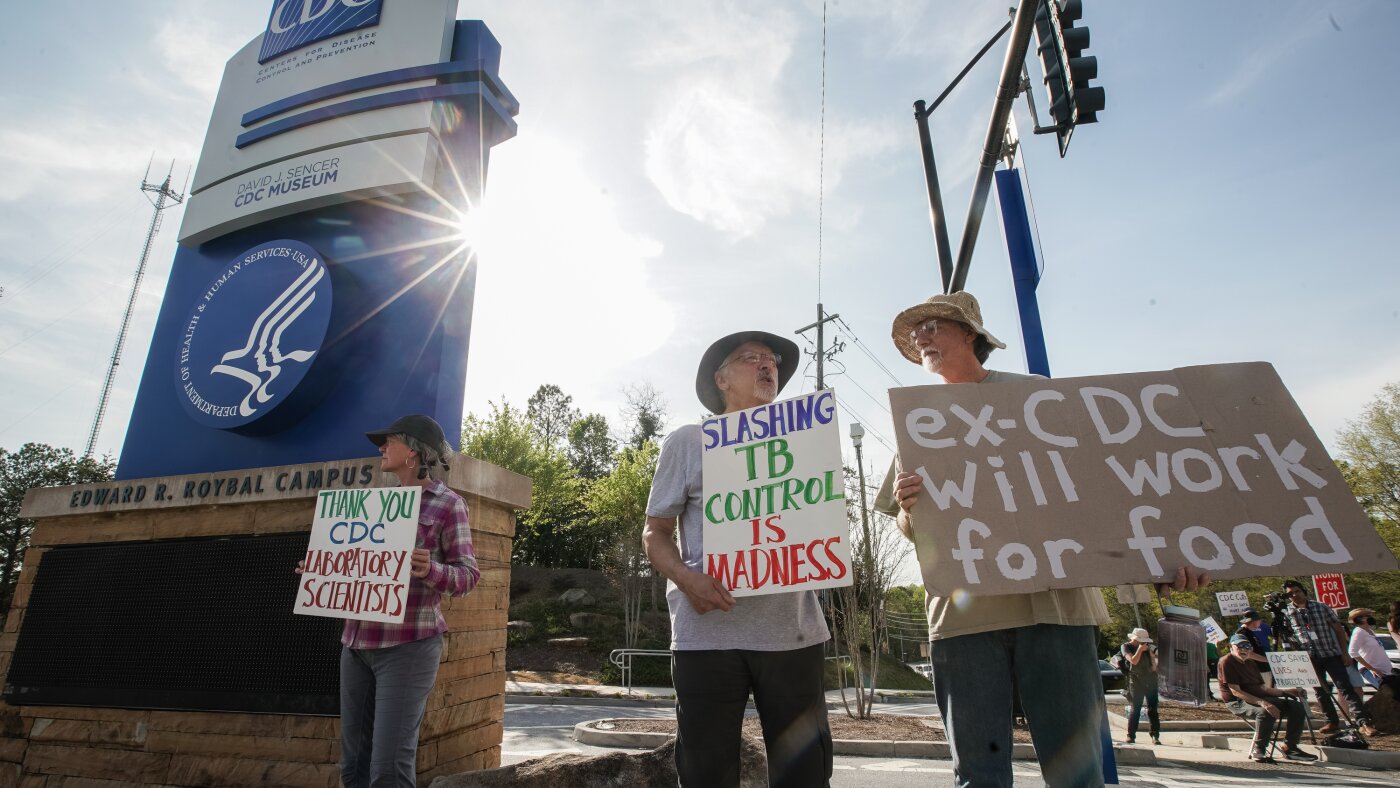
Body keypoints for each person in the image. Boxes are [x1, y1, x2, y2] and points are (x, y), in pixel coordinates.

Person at [873, 292, 1210, 788]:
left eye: (933, 326)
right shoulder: (918, 419)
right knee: (978, 774)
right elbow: (910, 532)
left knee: (1076, 771)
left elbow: (1107, 488)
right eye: (915, 331)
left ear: (970, 334)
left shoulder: (1036, 395)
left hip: (1056, 611)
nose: (921, 336)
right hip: (963, 618)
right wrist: (908, 510)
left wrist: (1164, 559)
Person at [642, 331, 832, 788]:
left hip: (793, 633)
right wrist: (688, 580)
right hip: (706, 637)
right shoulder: (688, 442)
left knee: (804, 775)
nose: (768, 366)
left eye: (773, 361)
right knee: (706, 773)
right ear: (721, 379)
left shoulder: (803, 441)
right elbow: (654, 534)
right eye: (752, 358)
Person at [299, 414, 480, 788]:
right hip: (355, 646)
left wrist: (431, 569)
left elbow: (468, 576)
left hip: (408, 649)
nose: (381, 448)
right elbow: (359, 566)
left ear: (414, 451)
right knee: (353, 767)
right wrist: (323, 568)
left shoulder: (448, 505)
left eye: (389, 441)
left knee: (388, 769)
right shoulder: (373, 505)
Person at [1280, 579, 1376, 736]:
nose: (1295, 595)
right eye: (1290, 594)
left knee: (1345, 688)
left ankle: (1363, 722)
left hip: (1330, 654)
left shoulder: (1321, 607)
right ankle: (1331, 721)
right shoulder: (1287, 612)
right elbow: (1289, 638)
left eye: (1297, 591)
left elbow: (1338, 630)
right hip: (1310, 658)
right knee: (1320, 691)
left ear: (1304, 591)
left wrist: (1345, 653)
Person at [1219, 633, 1318, 764]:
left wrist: (1288, 692)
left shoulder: (1250, 662)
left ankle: (1290, 747)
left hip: (1260, 697)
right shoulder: (1226, 661)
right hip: (1238, 702)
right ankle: (1259, 748)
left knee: (1297, 707)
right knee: (1265, 712)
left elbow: (1264, 689)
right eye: (1240, 646)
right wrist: (1263, 703)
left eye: (1247, 646)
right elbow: (1236, 691)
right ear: (1231, 647)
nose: (1244, 649)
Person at [1119, 628, 1160, 745]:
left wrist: (1152, 655)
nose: (1143, 643)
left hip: (1151, 680)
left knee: (1153, 709)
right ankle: (1131, 736)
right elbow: (1133, 661)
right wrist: (1140, 650)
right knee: (1135, 708)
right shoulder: (1126, 647)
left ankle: (1155, 735)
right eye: (1141, 641)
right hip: (1135, 681)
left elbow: (1155, 664)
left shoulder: (1148, 647)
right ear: (1135, 639)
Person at [1348, 607, 1400, 693]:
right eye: (1367, 616)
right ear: (1360, 619)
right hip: (1372, 670)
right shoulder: (1359, 631)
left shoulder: (1370, 631)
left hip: (1385, 670)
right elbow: (1352, 652)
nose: (1371, 617)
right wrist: (1372, 669)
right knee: (1388, 692)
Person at [1235, 609, 1273, 685]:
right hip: (1256, 670)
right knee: (1265, 693)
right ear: (1254, 621)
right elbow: (1248, 653)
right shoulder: (1242, 634)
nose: (1260, 623)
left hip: (1261, 669)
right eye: (1259, 621)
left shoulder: (1250, 632)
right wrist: (1267, 660)